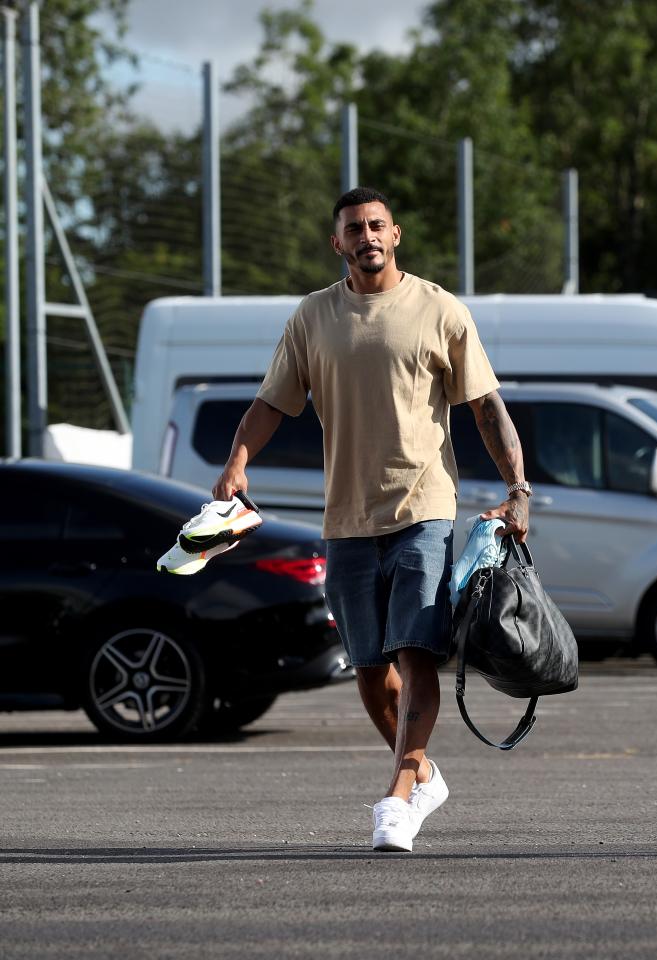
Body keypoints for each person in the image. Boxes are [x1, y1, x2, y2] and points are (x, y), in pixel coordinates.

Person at [213, 187, 532, 853]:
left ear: (397, 233)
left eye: (377, 225)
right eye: (354, 229)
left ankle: (398, 791)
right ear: (338, 243)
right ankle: (420, 773)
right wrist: (238, 459)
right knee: (366, 667)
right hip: (346, 517)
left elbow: (486, 407)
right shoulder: (312, 318)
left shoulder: (439, 309)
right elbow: (272, 402)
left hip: (424, 510)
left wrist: (518, 488)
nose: (367, 236)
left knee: (416, 650)